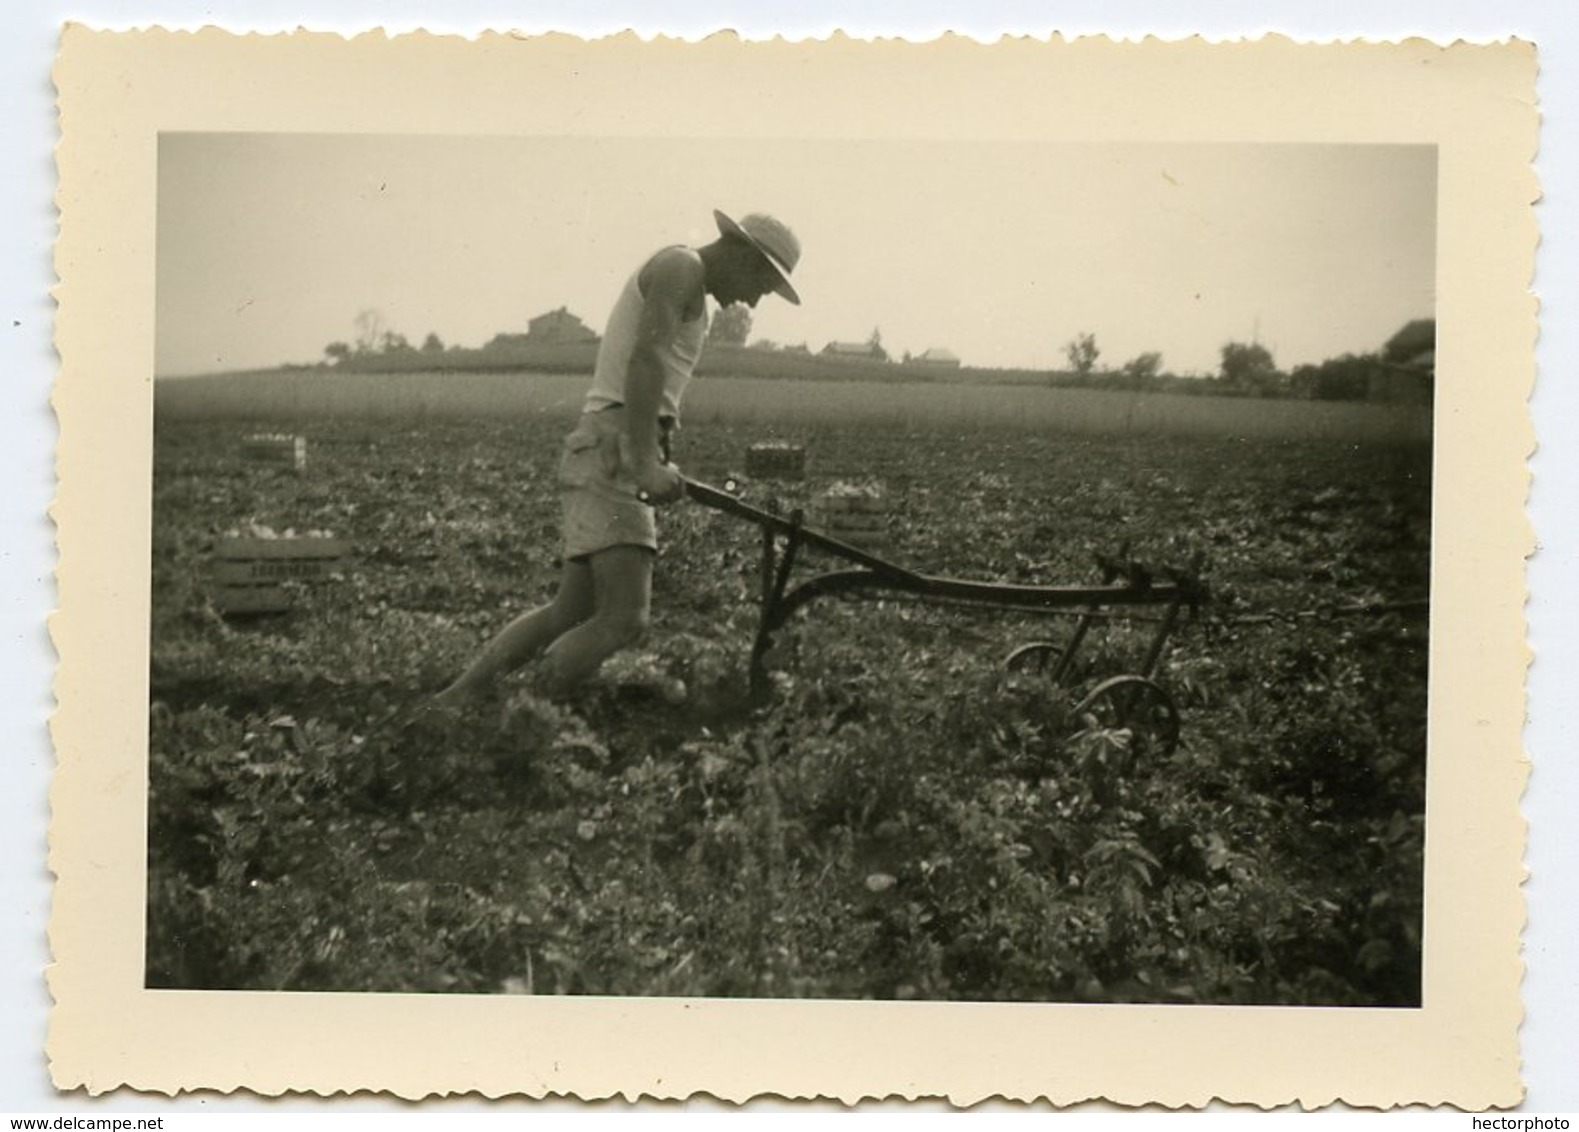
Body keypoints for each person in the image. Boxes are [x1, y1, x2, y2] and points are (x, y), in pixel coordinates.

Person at [429, 210, 802, 709]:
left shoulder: (691, 285)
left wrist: (654, 452)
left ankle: (458, 701)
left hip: (610, 446)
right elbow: (645, 361)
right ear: (740, 251)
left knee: (571, 611)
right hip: (616, 449)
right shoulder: (681, 268)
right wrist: (646, 462)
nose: (755, 299)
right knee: (625, 617)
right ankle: (520, 715)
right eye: (761, 281)